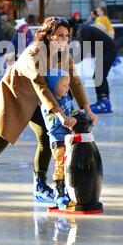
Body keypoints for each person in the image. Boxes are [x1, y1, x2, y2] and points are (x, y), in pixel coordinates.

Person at [0, 16, 96, 210]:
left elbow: (75, 81)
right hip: (15, 97)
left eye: (67, 35)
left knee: (46, 139)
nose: (64, 39)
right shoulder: (34, 53)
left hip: (38, 101)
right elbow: (41, 87)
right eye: (60, 35)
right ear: (49, 36)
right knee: (0, 141)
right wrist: (61, 115)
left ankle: (40, 187)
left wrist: (87, 108)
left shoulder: (63, 54)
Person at [41, 70, 76, 209]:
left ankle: (68, 191)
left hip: (69, 137)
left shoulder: (67, 98)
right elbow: (52, 123)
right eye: (64, 86)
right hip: (58, 139)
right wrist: (64, 119)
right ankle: (59, 192)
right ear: (54, 87)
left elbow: (72, 110)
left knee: (69, 165)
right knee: (60, 165)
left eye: (68, 85)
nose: (67, 88)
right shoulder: (48, 105)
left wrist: (78, 116)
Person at [70, 21, 116, 114]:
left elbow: (83, 51)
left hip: (108, 51)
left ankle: (105, 103)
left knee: (99, 76)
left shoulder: (82, 31)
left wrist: (70, 62)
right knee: (98, 76)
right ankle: (101, 100)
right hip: (104, 51)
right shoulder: (80, 30)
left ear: (70, 28)